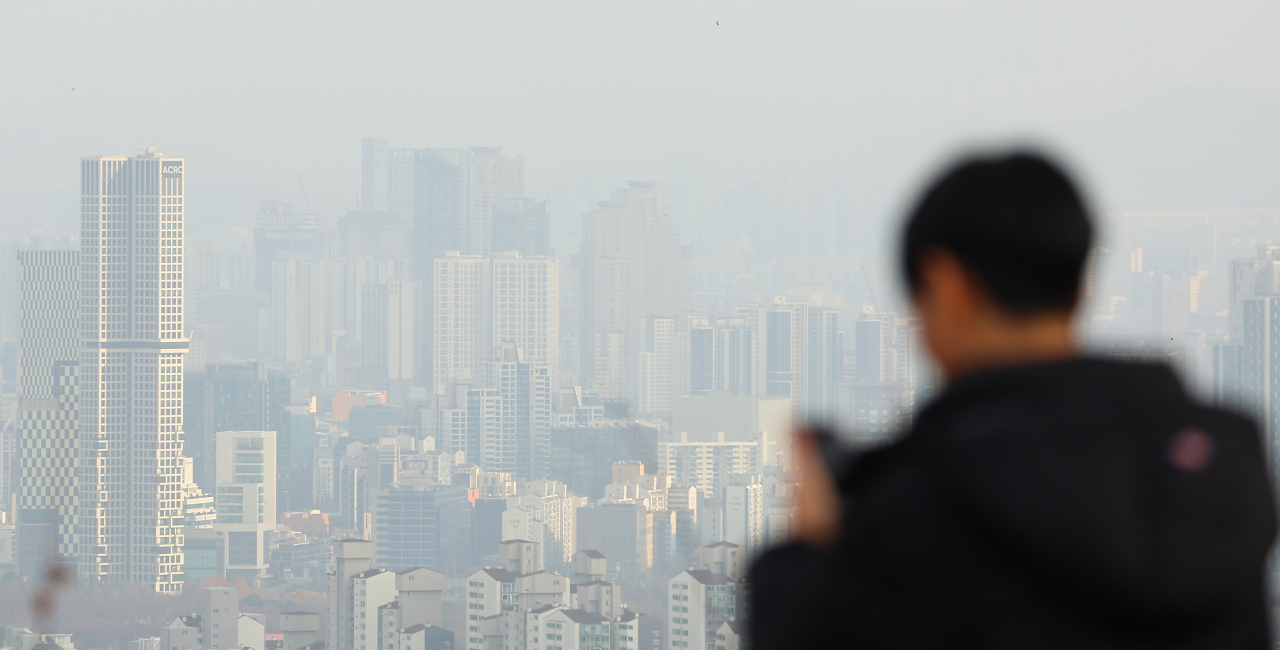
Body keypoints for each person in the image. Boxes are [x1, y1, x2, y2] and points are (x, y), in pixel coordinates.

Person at [750, 152, 1277, 648]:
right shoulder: (1222, 475)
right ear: (1077, 289)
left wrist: (802, 555)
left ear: (948, 286)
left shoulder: (930, 507)